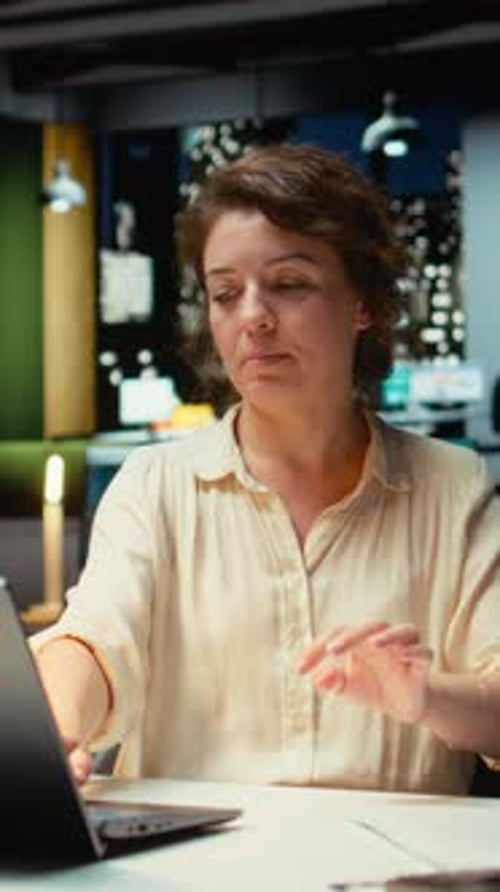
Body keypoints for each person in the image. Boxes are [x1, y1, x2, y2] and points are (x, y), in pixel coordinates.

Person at [31, 143, 500, 795]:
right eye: (225, 293)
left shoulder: (454, 487)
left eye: (289, 284)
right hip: (192, 855)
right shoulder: (154, 486)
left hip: (389, 855)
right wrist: (58, 728)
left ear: (362, 302)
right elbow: (93, 641)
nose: (252, 317)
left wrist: (427, 696)